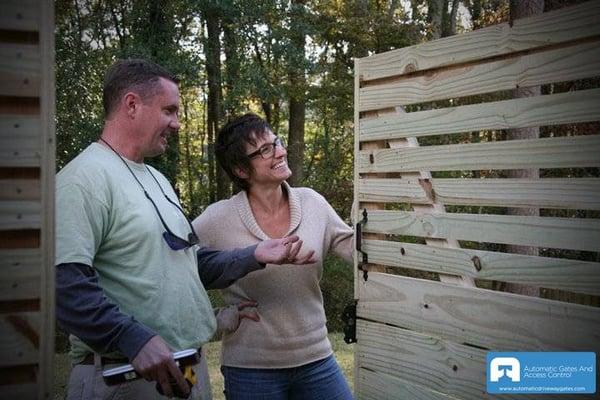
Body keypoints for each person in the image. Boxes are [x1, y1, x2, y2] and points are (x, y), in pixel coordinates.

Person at [55, 60, 316, 400]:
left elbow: (186, 264)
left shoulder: (155, 178)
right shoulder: (82, 180)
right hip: (126, 376)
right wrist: (131, 338)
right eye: (169, 111)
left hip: (184, 368)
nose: (177, 124)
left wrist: (254, 255)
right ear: (132, 104)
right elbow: (64, 284)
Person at [192, 113, 354, 399]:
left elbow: (359, 251)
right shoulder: (217, 219)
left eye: (276, 142)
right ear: (241, 170)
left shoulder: (312, 202)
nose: (280, 151)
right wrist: (215, 318)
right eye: (265, 150)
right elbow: (175, 270)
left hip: (317, 360)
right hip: (250, 371)